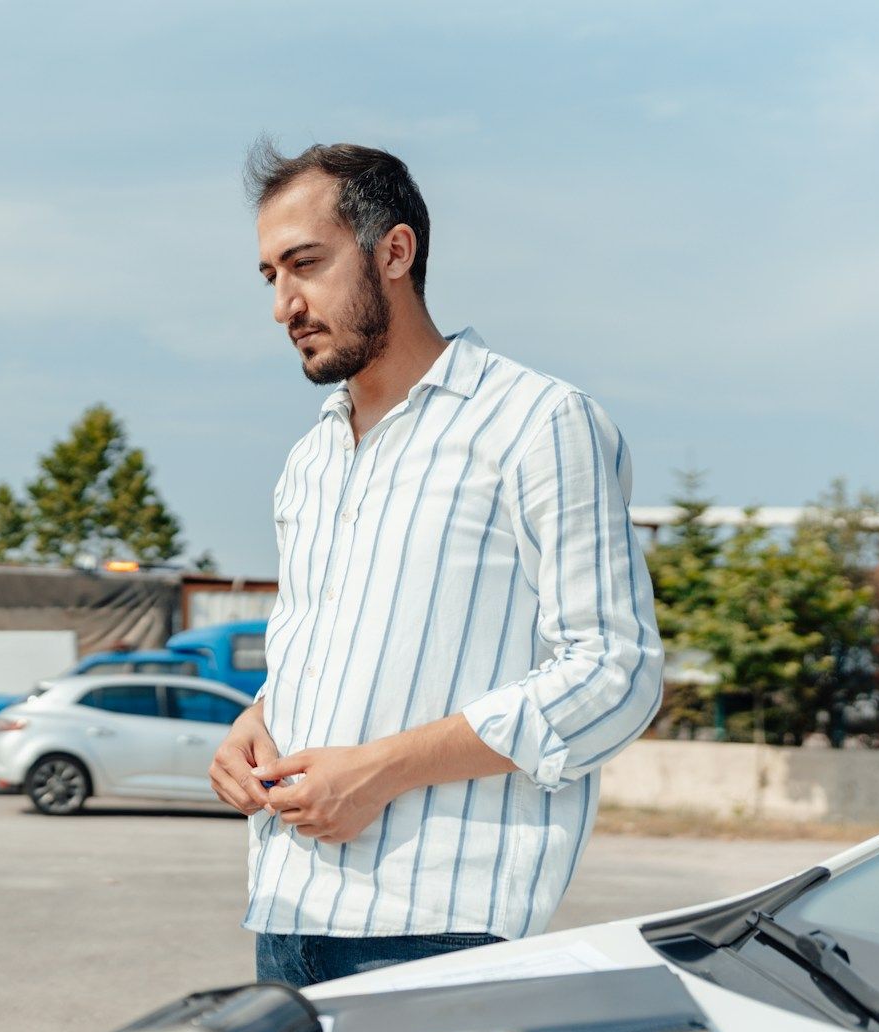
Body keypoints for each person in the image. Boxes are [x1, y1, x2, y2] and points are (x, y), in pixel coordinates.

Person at [211, 141, 662, 988]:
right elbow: (346, 642)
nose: (284, 304)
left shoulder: (538, 423)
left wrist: (379, 772)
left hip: (438, 931)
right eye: (270, 275)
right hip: (286, 913)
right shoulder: (309, 462)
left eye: (305, 264)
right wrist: (258, 718)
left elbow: (615, 675)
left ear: (394, 251)